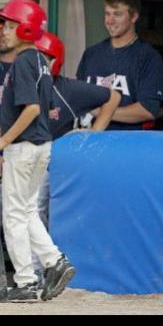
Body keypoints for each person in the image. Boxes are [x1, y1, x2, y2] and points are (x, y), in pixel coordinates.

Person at [0, 0, 76, 303]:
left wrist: (3, 142)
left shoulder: (23, 61)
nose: (3, 31)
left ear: (26, 29)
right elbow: (35, 109)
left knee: (14, 216)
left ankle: (26, 281)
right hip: (38, 144)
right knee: (27, 210)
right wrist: (1, 132)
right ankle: (54, 261)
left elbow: (32, 109)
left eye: (10, 26)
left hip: (23, 148)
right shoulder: (39, 59)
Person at [34, 32, 121, 227]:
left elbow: (113, 97)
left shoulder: (67, 89)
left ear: (54, 61)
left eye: (42, 58)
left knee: (38, 210)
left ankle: (42, 248)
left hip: (51, 161)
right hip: (22, 157)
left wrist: (94, 133)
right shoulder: (19, 84)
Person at [76, 0, 163, 130]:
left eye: (117, 14)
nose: (110, 21)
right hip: (89, 137)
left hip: (127, 139)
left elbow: (148, 110)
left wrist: (102, 113)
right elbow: (78, 97)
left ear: (134, 17)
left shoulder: (148, 57)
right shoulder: (91, 53)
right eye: (107, 14)